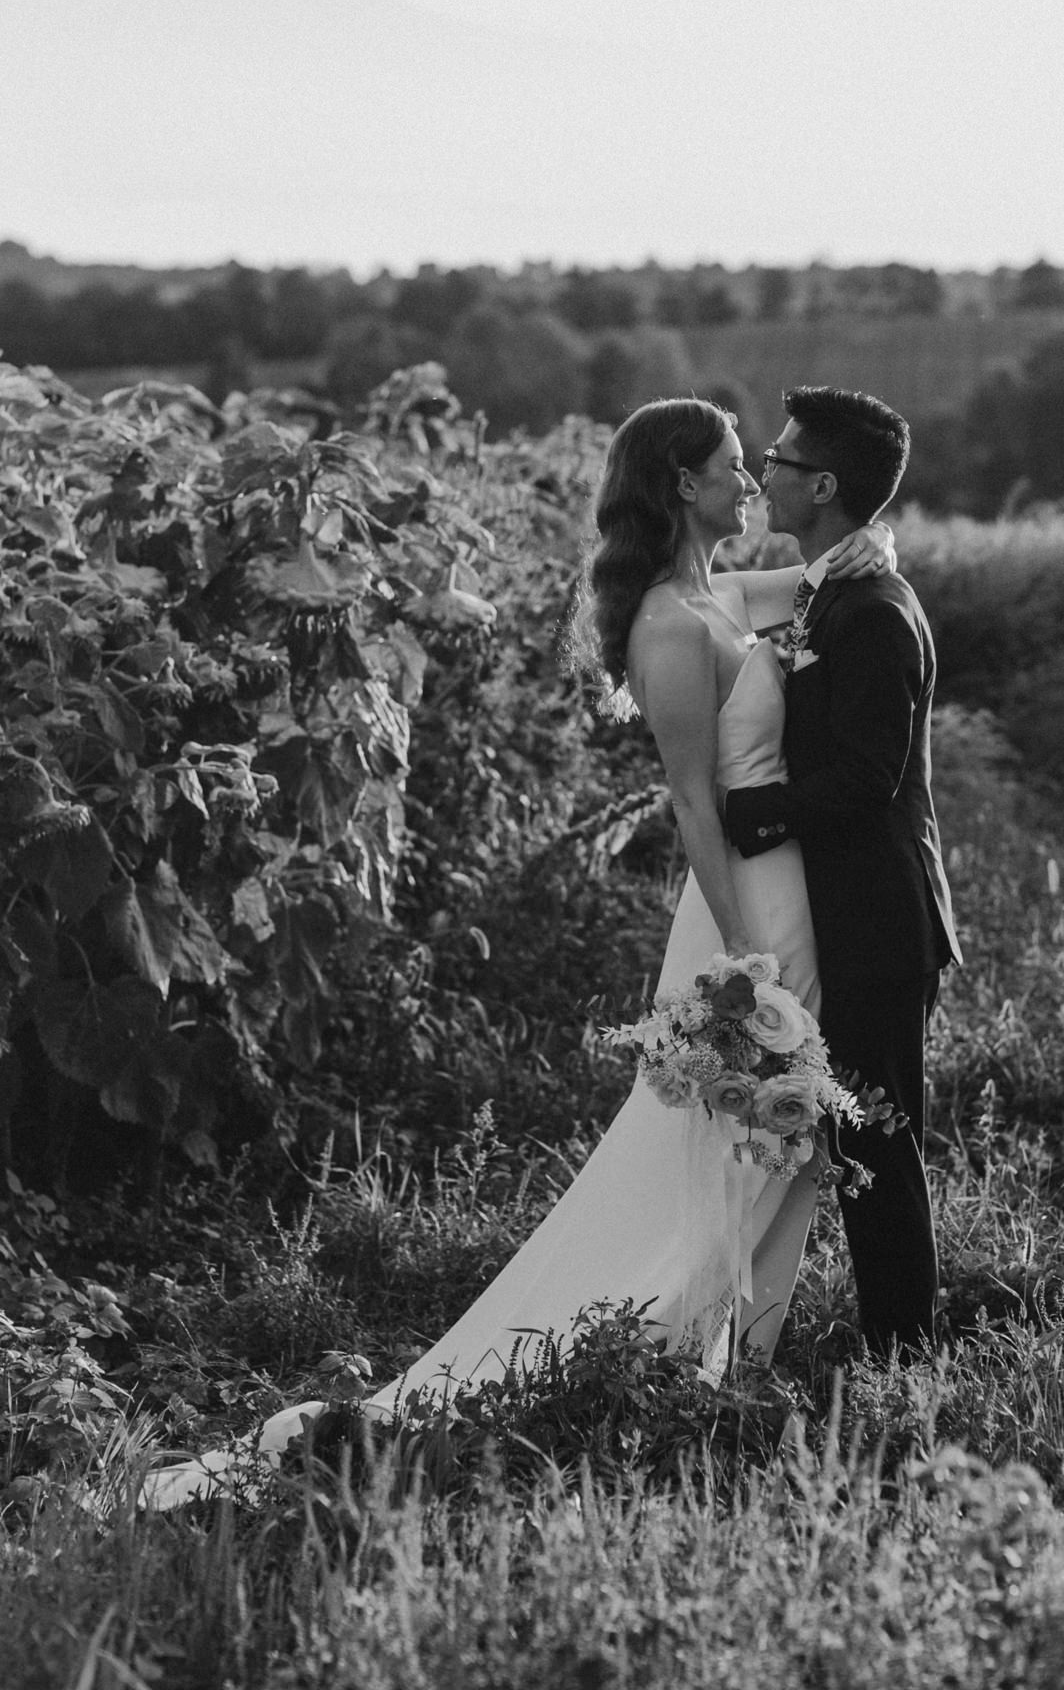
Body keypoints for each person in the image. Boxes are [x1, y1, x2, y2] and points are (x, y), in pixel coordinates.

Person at [141, 397, 890, 1508]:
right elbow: (689, 798)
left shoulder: (716, 597)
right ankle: (648, 1339)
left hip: (786, 894)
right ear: (684, 484)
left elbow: (842, 579)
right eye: (735, 467)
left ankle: (727, 1347)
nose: (750, 484)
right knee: (721, 1131)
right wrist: (742, 955)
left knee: (776, 1132)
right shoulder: (673, 627)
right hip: (742, 912)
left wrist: (875, 524)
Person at [724, 386, 961, 1359]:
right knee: (859, 1128)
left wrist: (752, 808)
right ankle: (896, 1332)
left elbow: (869, 777)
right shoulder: (838, 586)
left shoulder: (871, 611)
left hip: (880, 916)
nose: (763, 469)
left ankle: (908, 1349)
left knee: (880, 1134)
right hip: (851, 909)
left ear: (821, 483)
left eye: (779, 457)